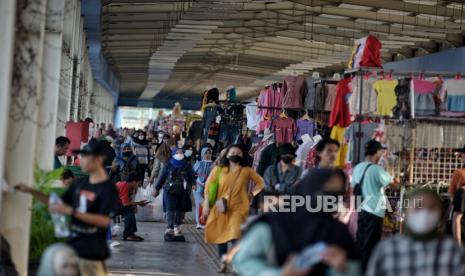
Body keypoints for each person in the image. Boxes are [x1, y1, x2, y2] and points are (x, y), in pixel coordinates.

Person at [16, 139, 118, 275]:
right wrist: (31, 191)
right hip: (71, 248)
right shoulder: (80, 183)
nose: (81, 160)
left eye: (86, 156)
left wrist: (71, 211)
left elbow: (103, 221)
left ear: (99, 159)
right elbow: (57, 203)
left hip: (91, 254)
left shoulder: (108, 188)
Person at [233, 168, 361, 276]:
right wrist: (279, 273)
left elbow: (355, 268)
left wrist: (342, 267)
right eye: (326, 191)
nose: (331, 198)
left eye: (337, 193)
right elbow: (242, 261)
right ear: (308, 189)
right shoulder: (273, 224)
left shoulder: (337, 230)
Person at [367, 188, 465, 275]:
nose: (424, 213)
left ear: (440, 213)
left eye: (431, 208)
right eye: (418, 207)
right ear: (406, 211)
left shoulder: (453, 251)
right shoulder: (386, 250)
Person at [202, 144, 264, 273]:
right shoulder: (218, 170)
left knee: (235, 236)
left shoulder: (247, 170)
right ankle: (223, 263)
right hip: (220, 208)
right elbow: (208, 187)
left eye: (238, 152)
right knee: (222, 237)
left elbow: (260, 182)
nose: (235, 154)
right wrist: (206, 205)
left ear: (242, 155)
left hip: (239, 209)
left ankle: (236, 263)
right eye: (232, 152)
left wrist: (252, 194)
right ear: (227, 155)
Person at [351, 139, 399, 271]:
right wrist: (395, 180)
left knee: (361, 241)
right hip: (374, 211)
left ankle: (358, 269)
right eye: (380, 152)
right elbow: (395, 186)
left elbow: (353, 187)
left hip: (361, 209)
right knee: (371, 244)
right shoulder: (377, 170)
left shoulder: (357, 168)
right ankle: (367, 270)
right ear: (377, 152)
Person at [154, 148, 195, 237]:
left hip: (182, 191)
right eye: (177, 152)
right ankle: (170, 227)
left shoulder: (187, 165)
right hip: (169, 191)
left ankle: (177, 226)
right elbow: (162, 177)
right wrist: (157, 189)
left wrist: (193, 184)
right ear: (173, 154)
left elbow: (192, 176)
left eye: (181, 152)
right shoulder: (168, 165)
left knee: (180, 209)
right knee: (170, 209)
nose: (179, 153)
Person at [115, 172, 148, 241]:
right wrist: (138, 203)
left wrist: (135, 203)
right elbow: (125, 204)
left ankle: (130, 233)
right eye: (138, 182)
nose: (139, 185)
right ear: (133, 182)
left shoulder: (126, 186)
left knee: (130, 209)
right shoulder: (124, 186)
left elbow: (126, 202)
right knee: (128, 210)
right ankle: (128, 234)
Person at [193, 147, 213, 229]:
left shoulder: (214, 164)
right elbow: (192, 174)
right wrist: (193, 183)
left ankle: (207, 222)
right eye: (206, 153)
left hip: (210, 185)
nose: (208, 155)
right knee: (199, 204)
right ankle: (199, 222)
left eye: (209, 153)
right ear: (202, 154)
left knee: (209, 204)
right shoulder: (198, 163)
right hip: (198, 184)